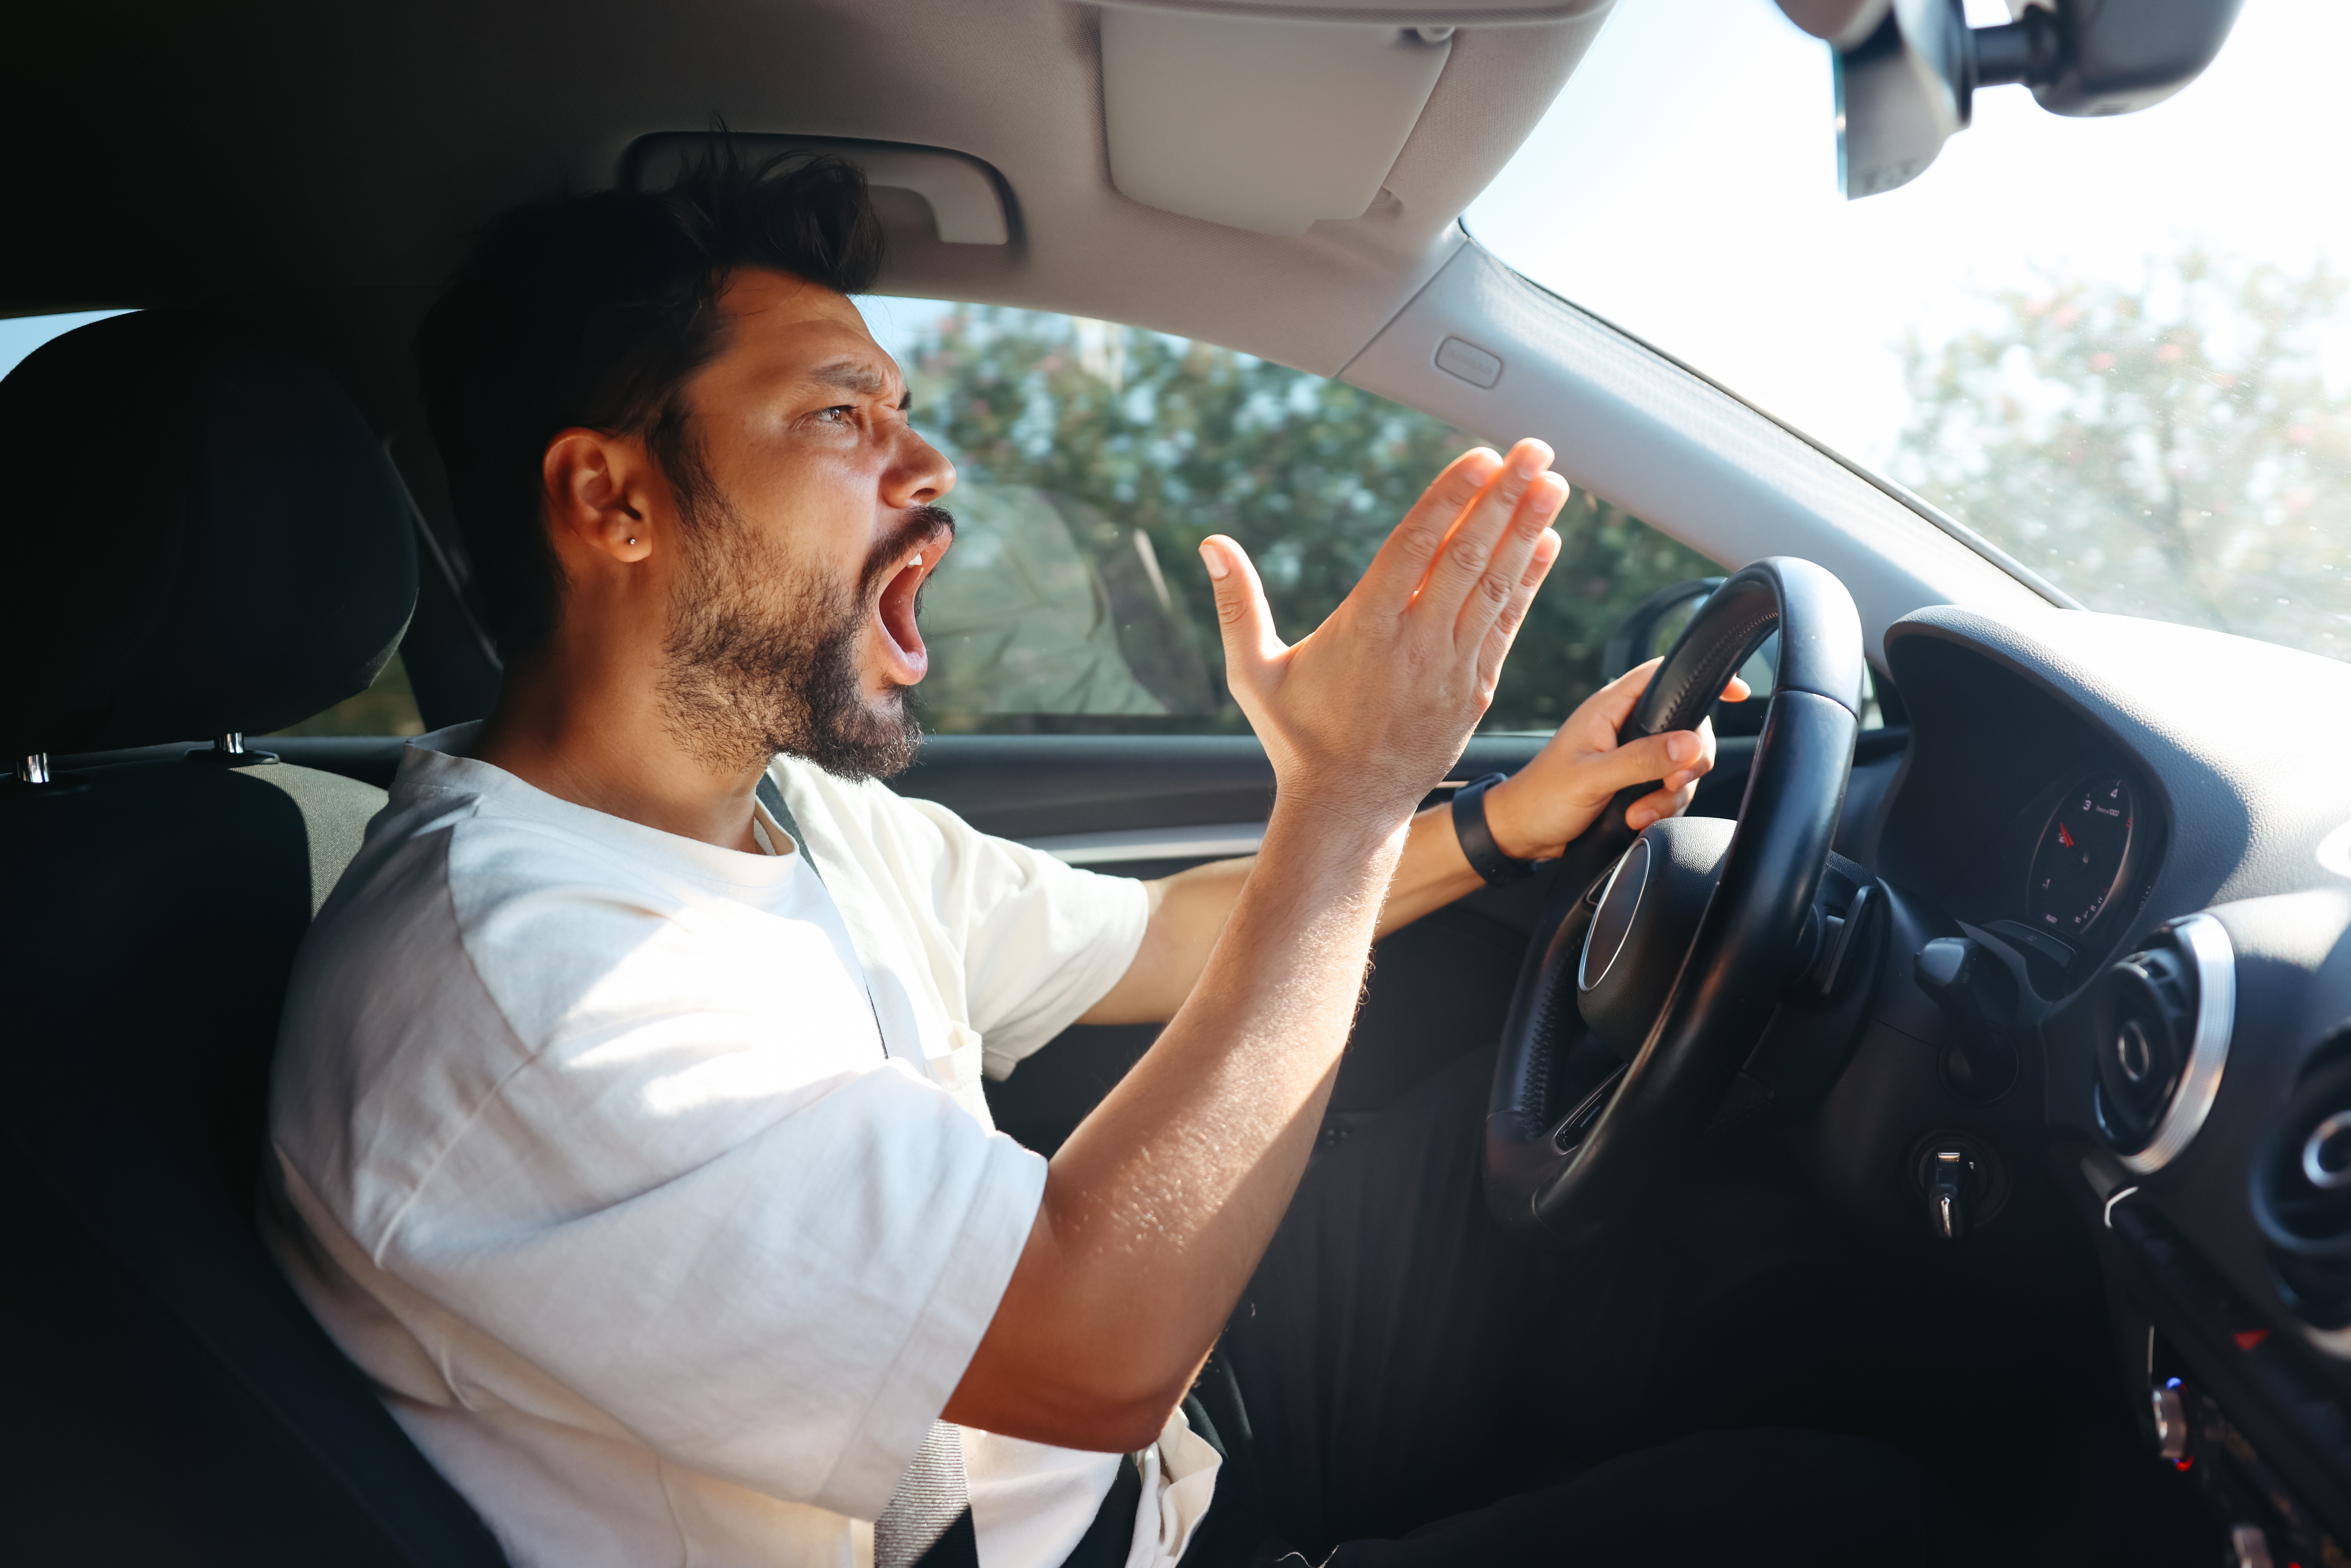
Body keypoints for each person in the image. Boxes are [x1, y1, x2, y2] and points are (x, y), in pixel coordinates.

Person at [266, 150, 1972, 1568]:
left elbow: (1158, 937)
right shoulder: (514, 995)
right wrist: (1343, 794)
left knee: (1646, 1246)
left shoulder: (785, 812)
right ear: (612, 500)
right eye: (845, 416)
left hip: (1157, 1449)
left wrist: (1496, 818)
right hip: (1083, 1489)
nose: (928, 471)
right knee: (1847, 1524)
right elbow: (1089, 1343)